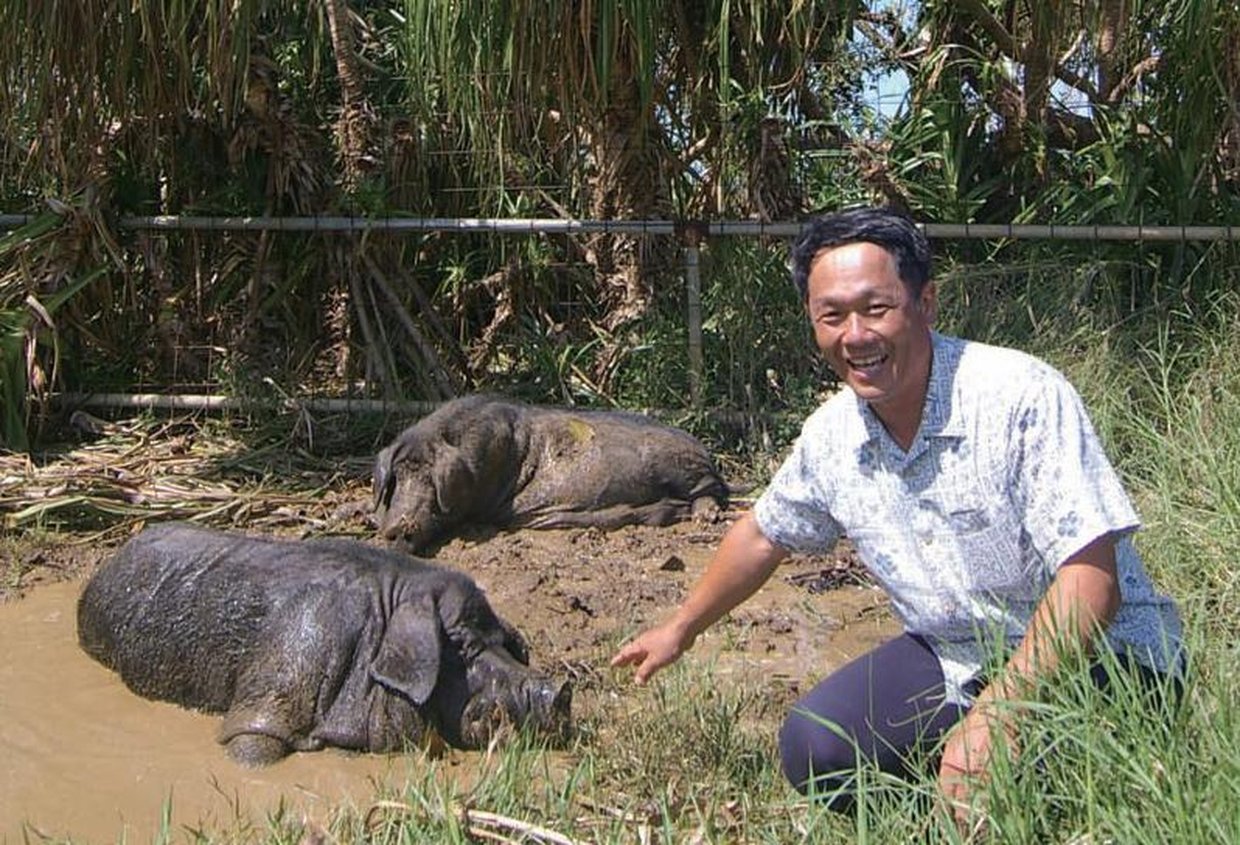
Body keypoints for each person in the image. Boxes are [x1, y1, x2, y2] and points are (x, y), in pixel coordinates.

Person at [610, 207, 1184, 821]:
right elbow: (762, 533)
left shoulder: (1019, 396)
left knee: (1038, 791)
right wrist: (681, 627)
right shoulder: (832, 436)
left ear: (925, 303)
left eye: (875, 309)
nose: (855, 335)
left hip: (1108, 658)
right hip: (956, 652)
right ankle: (937, 813)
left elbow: (1091, 580)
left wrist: (1005, 709)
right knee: (816, 746)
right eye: (831, 315)